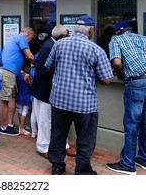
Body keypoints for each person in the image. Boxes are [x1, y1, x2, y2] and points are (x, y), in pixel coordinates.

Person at [44, 16, 113, 175]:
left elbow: (48, 67)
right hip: (84, 104)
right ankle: (82, 170)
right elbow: (106, 80)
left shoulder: (59, 44)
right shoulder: (96, 49)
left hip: (59, 100)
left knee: (58, 134)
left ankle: (57, 166)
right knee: (85, 138)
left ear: (76, 29)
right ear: (91, 30)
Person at [105, 21, 146, 175]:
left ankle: (127, 165)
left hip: (137, 82)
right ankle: (145, 160)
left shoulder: (116, 40)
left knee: (132, 124)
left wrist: (118, 73)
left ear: (117, 32)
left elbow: (117, 62)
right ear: (130, 30)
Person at [30, 24, 76, 159]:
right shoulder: (48, 47)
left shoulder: (54, 44)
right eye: (67, 35)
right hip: (44, 91)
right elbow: (44, 71)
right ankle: (42, 147)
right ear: (61, 37)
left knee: (58, 121)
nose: (69, 38)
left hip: (52, 91)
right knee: (45, 121)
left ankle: (64, 144)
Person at [0, 27, 35, 136]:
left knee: (12, 98)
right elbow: (29, 55)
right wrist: (38, 63)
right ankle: (4, 127)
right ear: (28, 34)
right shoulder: (21, 38)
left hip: (10, 72)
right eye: (31, 38)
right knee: (5, 100)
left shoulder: (13, 38)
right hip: (7, 72)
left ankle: (10, 124)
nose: (30, 41)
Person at [16, 60, 33, 135]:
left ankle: (21, 126)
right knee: (25, 111)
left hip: (20, 93)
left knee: (20, 110)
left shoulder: (18, 73)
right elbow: (31, 85)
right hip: (26, 94)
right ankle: (22, 128)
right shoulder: (27, 75)